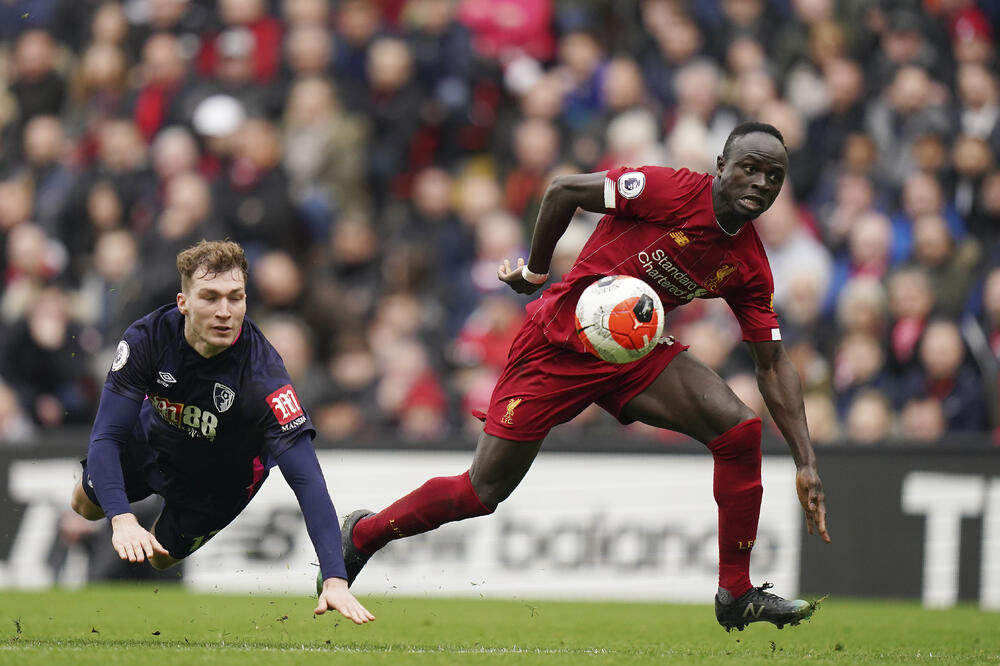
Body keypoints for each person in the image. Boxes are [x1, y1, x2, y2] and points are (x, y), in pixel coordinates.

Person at [340, 122, 831, 631]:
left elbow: (772, 364)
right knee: (480, 492)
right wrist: (534, 272)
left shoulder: (749, 265)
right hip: (560, 342)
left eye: (773, 176)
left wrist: (806, 461)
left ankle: (736, 592)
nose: (760, 183)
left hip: (633, 351)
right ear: (722, 167)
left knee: (739, 431)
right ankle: (363, 535)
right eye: (750, 168)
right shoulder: (670, 190)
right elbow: (563, 190)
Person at [69, 239, 374, 625]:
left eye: (236, 298)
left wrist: (334, 576)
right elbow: (107, 435)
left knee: (161, 557)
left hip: (219, 482)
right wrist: (121, 518)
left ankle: (161, 518)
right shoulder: (147, 338)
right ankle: (130, 508)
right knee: (84, 504)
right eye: (210, 297)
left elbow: (308, 480)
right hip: (154, 440)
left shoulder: (264, 377)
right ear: (184, 302)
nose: (225, 312)